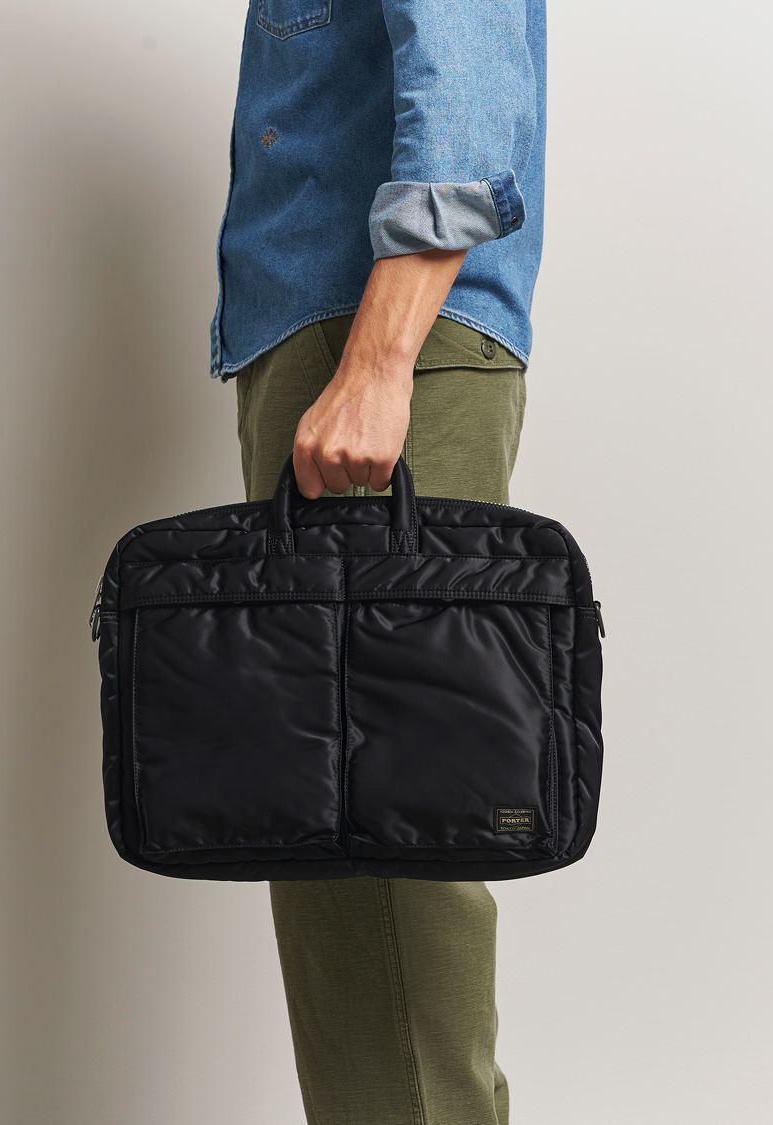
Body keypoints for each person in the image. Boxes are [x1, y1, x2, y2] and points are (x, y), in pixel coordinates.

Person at [210, 3, 546, 1122]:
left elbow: (468, 66)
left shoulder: (374, 350)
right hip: (322, 335)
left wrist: (379, 358)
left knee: (384, 832)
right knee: (330, 834)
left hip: (373, 333)